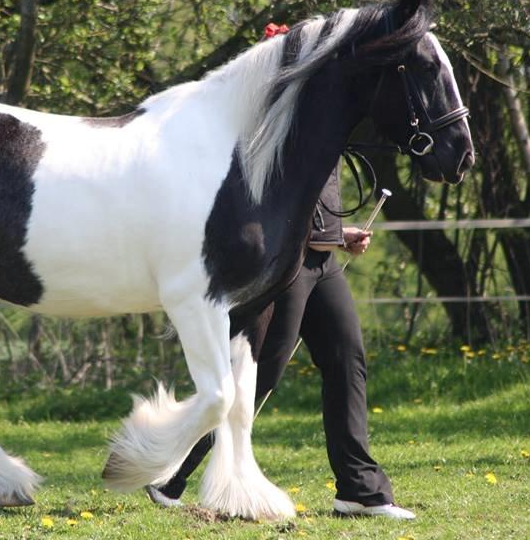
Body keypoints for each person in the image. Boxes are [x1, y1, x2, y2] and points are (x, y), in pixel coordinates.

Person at [146, 165, 415, 520]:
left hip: (324, 261)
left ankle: (359, 490)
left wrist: (336, 235)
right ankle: (170, 470)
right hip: (287, 263)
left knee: (347, 361)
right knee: (259, 376)